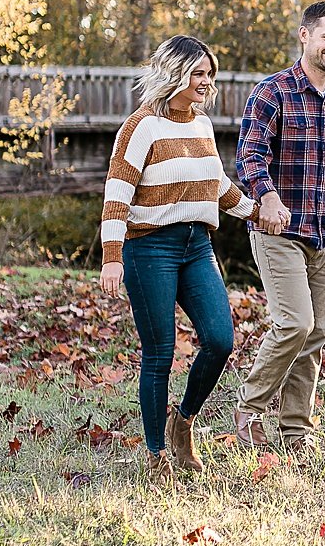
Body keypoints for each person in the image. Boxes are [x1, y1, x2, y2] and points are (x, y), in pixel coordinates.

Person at [99, 35, 274, 484]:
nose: (205, 82)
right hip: (149, 248)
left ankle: (184, 421)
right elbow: (117, 194)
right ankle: (156, 454)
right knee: (159, 353)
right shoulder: (141, 127)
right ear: (172, 73)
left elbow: (214, 184)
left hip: (197, 246)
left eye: (209, 74)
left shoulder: (201, 125)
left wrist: (256, 211)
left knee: (220, 340)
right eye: (197, 73)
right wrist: (112, 257)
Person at [232, 0, 325, 452]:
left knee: (316, 334)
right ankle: (249, 406)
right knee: (295, 323)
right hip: (278, 232)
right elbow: (249, 156)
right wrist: (268, 197)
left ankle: (296, 431)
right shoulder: (273, 91)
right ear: (305, 36)